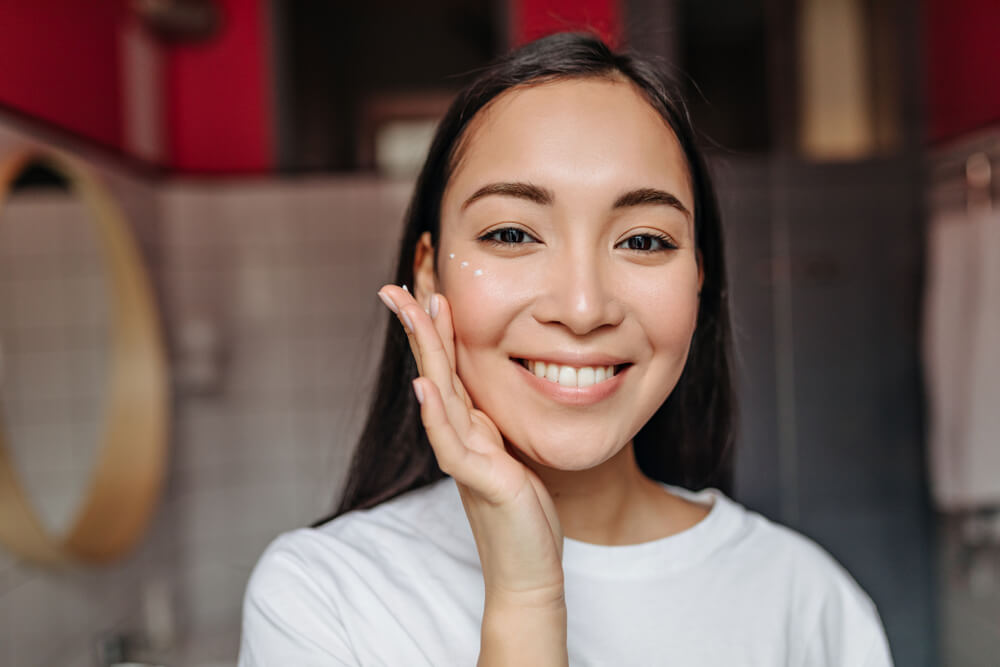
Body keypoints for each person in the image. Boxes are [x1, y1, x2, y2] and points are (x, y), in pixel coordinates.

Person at [238, 32, 893, 666]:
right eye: (514, 232)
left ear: (699, 278)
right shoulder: (326, 599)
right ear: (428, 271)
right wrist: (526, 598)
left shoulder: (809, 605)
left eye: (642, 241)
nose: (583, 309)